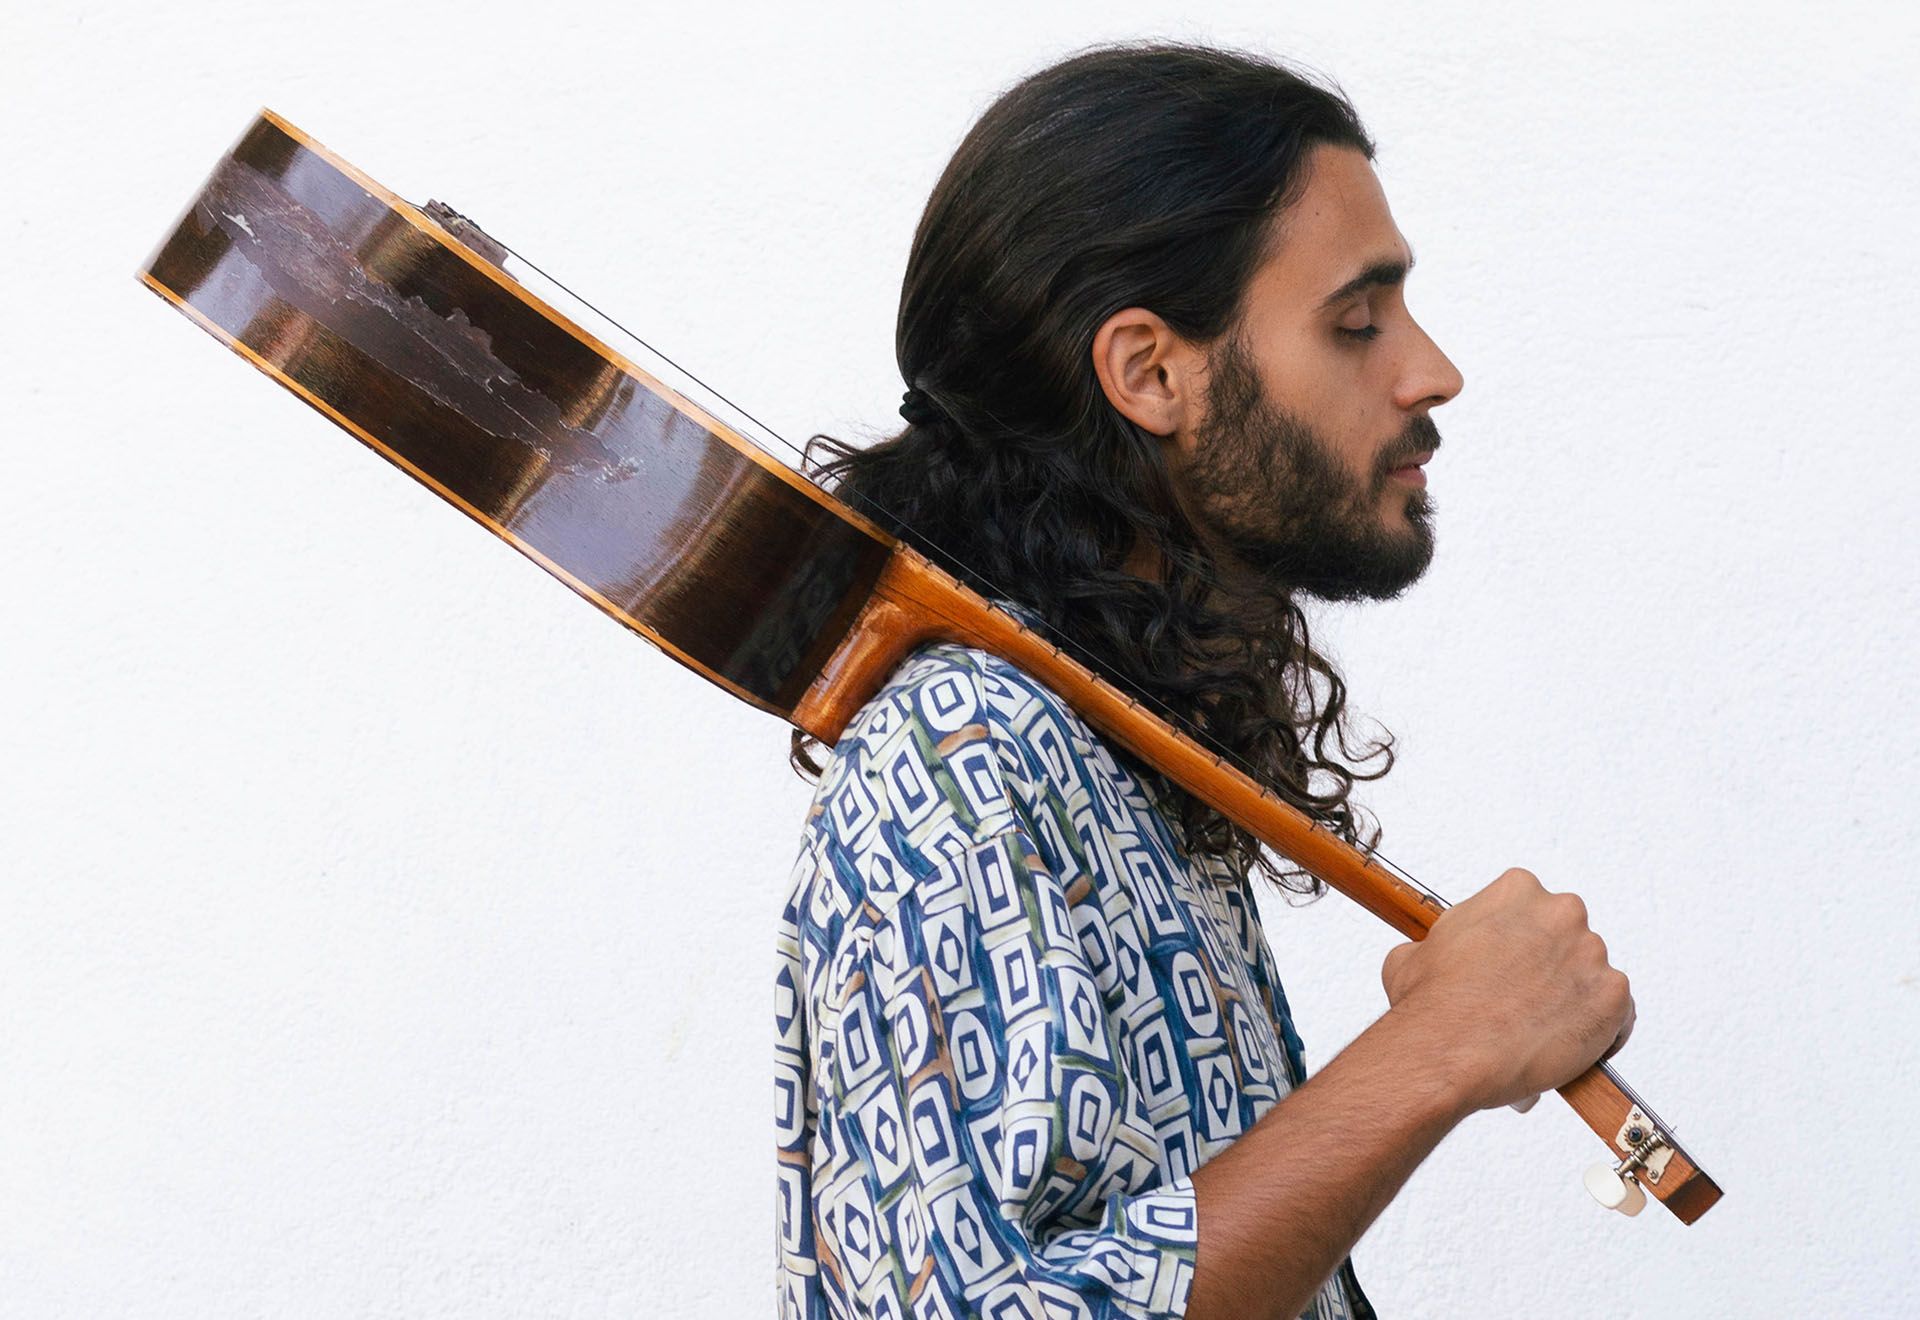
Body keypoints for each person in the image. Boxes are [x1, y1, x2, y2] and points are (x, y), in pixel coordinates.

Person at [773, 41, 1633, 1320]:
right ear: (1151, 373)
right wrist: (1438, 1049)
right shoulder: (965, 754)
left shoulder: (1111, 742)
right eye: (1356, 321)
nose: (1430, 371)